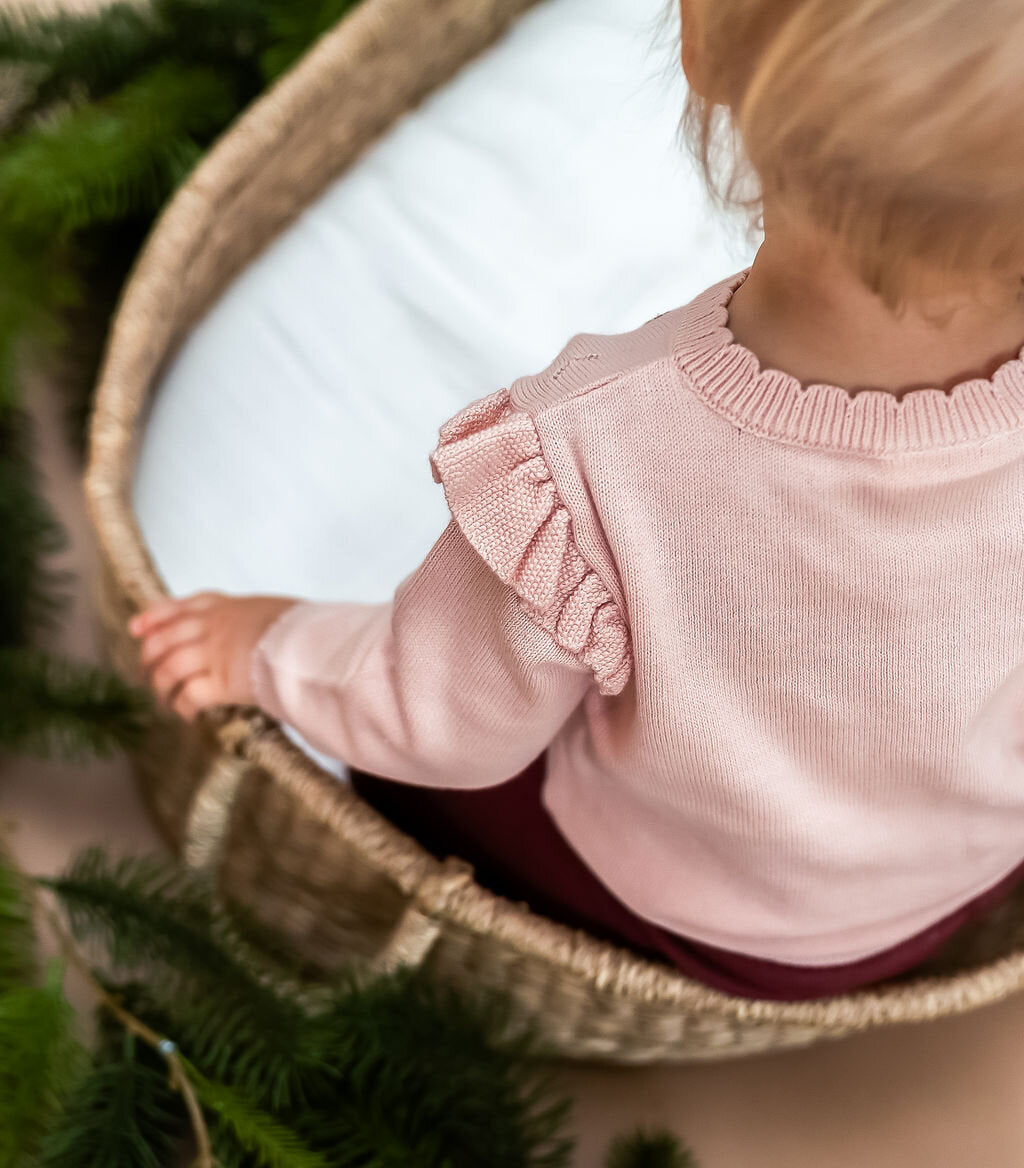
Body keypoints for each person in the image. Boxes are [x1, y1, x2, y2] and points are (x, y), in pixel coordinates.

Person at [128, 0, 1024, 1001]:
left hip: (685, 911)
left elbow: (438, 719)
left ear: (705, 44)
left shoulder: (597, 450)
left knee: (409, 769)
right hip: (956, 880)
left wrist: (264, 642)